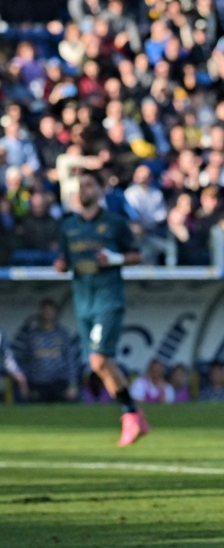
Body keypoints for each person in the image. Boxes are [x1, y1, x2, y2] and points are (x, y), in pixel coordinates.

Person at [55, 171, 148, 445]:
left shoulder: (115, 223)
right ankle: (133, 415)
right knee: (99, 364)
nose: (83, 190)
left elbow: (137, 256)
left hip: (108, 298)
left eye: (88, 185)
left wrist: (116, 258)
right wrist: (61, 265)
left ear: (100, 190)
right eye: (80, 186)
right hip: (83, 299)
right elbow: (66, 259)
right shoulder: (68, 226)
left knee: (99, 359)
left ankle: (130, 415)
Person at [18, 299, 78, 402]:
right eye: (45, 310)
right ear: (40, 312)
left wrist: (72, 384)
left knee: (62, 415)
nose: (48, 313)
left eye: (50, 310)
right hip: (37, 383)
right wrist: (24, 384)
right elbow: (24, 361)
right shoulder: (31, 335)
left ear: (55, 313)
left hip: (59, 382)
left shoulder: (63, 334)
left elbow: (70, 361)